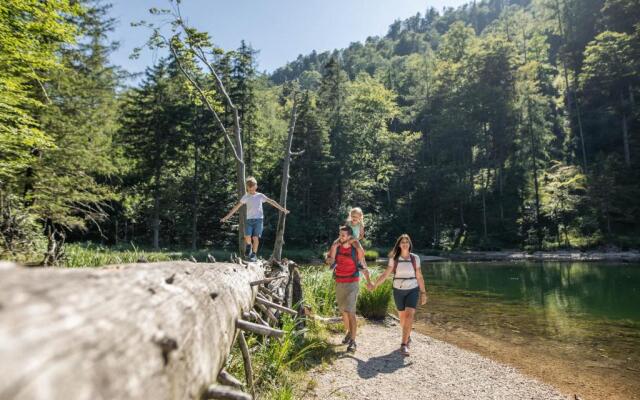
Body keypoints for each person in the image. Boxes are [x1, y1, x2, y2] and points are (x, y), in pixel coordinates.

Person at [371, 234, 427, 356]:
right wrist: (375, 285)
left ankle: (404, 345)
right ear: (399, 244)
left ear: (409, 244)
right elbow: (386, 274)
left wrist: (423, 292)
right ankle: (407, 335)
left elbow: (419, 276)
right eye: (402, 242)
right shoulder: (394, 258)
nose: (405, 244)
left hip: (413, 289)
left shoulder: (415, 258)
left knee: (409, 316)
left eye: (407, 241)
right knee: (402, 318)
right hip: (398, 290)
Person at [325, 225, 373, 352]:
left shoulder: (354, 247)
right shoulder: (337, 246)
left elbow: (362, 256)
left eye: (343, 235)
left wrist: (357, 243)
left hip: (352, 282)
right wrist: (334, 247)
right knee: (343, 311)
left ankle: (353, 341)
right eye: (339, 234)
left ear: (349, 236)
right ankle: (348, 332)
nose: (340, 237)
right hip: (339, 282)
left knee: (351, 312)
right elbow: (330, 262)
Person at [220, 177, 289, 261]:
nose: (251, 191)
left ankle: (253, 254)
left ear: (256, 187)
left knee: (255, 238)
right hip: (249, 220)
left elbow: (271, 201)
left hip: (259, 220)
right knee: (247, 236)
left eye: (252, 189)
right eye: (249, 190)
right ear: (247, 188)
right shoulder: (246, 196)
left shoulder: (260, 196)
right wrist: (226, 217)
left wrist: (282, 209)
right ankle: (249, 246)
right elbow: (236, 207)